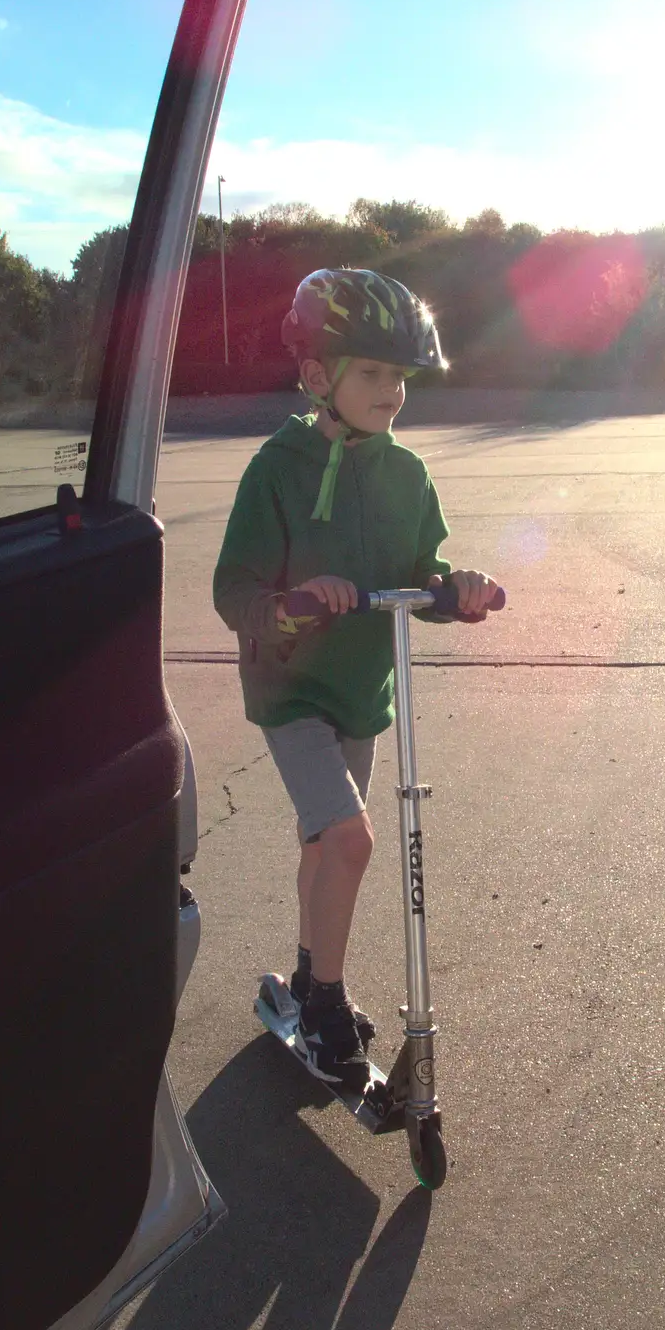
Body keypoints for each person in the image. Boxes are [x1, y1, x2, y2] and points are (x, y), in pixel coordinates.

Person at [213, 268, 498, 1091]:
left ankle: (308, 975)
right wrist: (295, 605)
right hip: (291, 691)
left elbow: (423, 576)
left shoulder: (407, 475)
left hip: (361, 693)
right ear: (316, 378)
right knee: (350, 837)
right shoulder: (277, 467)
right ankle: (329, 1001)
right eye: (372, 373)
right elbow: (236, 592)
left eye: (400, 375)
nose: (392, 391)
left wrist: (460, 592)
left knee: (321, 841)